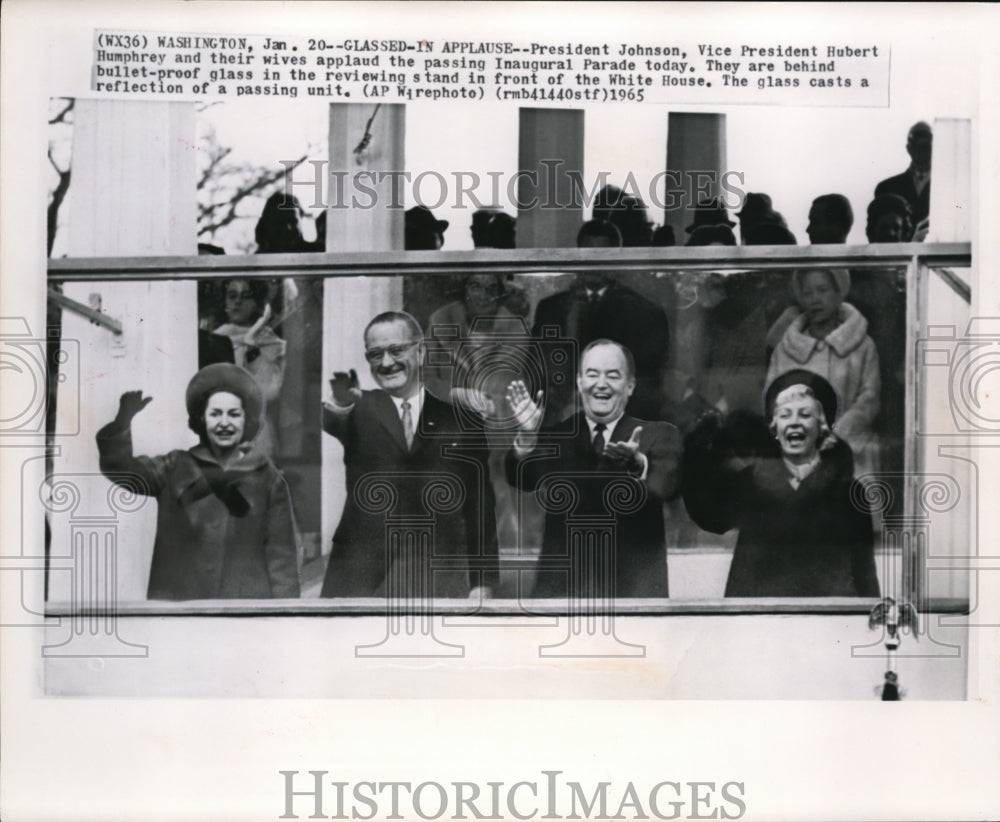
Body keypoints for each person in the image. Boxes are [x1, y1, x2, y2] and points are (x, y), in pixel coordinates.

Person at [320, 311, 499, 599]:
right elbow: (333, 419)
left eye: (397, 350)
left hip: (437, 580)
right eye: (375, 354)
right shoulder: (360, 408)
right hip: (358, 582)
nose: (387, 363)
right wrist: (339, 404)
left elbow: (480, 508)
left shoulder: (462, 421)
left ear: (422, 351)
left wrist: (483, 582)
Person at [96, 364, 301, 600]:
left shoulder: (268, 480)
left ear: (247, 421)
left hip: (245, 614)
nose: (225, 422)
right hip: (181, 609)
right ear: (201, 419)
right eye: (215, 414)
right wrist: (122, 422)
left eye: (234, 414)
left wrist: (285, 619)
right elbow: (122, 472)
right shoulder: (174, 467)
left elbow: (281, 558)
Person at [505, 340, 681, 598]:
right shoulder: (557, 436)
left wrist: (638, 464)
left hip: (633, 599)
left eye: (613, 375)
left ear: (629, 386)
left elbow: (667, 484)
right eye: (592, 374)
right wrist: (527, 436)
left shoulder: (659, 435)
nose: (601, 384)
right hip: (563, 598)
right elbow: (521, 478)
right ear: (579, 383)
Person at [682, 370, 880, 598]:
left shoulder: (849, 492)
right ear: (774, 427)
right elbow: (710, 517)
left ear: (822, 427)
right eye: (785, 415)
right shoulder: (750, 483)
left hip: (826, 622)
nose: (794, 423)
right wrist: (700, 449)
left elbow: (864, 574)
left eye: (805, 415)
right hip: (759, 620)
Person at [531, 219, 671, 423]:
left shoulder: (644, 312)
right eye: (587, 254)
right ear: (577, 256)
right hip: (563, 423)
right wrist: (560, 405)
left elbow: (648, 381)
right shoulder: (551, 309)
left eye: (603, 255)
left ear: (618, 259)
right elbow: (538, 371)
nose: (594, 263)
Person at [767, 268, 881, 477]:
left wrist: (837, 437)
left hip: (852, 457)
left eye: (822, 290)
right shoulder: (785, 349)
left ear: (839, 293)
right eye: (807, 293)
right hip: (798, 461)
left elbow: (869, 399)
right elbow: (772, 402)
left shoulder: (862, 345)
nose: (815, 300)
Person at [214, 277, 286, 456]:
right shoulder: (212, 340)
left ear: (257, 304)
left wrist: (252, 347)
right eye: (232, 295)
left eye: (246, 296)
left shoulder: (271, 343)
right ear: (224, 302)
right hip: (217, 431)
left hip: (257, 435)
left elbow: (268, 392)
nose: (237, 301)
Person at [875, 121, 932, 225]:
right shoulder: (886, 189)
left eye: (925, 145)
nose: (921, 148)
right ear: (908, 148)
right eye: (916, 143)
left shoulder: (950, 189)